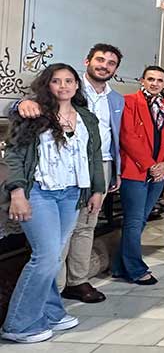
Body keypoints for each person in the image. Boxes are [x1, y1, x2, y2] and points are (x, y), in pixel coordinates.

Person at [1, 64, 105, 343]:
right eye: (56, 81)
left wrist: (97, 189)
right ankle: (19, 324)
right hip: (40, 193)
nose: (63, 86)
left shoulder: (86, 118)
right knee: (45, 257)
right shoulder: (33, 114)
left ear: (76, 86)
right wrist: (17, 193)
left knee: (54, 255)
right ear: (47, 85)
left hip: (71, 193)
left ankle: (50, 311)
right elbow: (13, 157)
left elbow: (93, 156)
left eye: (69, 81)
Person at [15, 44, 124, 303]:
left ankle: (78, 280)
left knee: (86, 226)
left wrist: (113, 172)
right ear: (87, 60)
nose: (104, 66)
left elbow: (115, 137)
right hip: (59, 172)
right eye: (100, 60)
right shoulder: (69, 86)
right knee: (60, 233)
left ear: (115, 69)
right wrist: (23, 103)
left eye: (111, 63)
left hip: (100, 165)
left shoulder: (117, 98)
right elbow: (31, 108)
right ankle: (55, 286)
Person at [112, 65, 164, 284]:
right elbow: (128, 136)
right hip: (136, 171)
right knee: (133, 220)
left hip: (158, 173)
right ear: (142, 80)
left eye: (159, 80)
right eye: (150, 79)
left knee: (140, 221)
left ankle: (120, 266)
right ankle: (136, 269)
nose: (155, 83)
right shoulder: (129, 101)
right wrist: (151, 165)